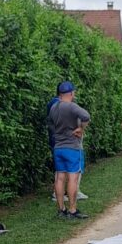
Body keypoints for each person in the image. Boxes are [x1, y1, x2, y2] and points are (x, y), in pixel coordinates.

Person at [47, 81, 90, 219]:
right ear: (71, 93)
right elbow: (86, 116)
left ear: (59, 94)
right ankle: (72, 210)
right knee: (72, 178)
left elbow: (50, 124)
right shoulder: (71, 106)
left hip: (58, 147)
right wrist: (81, 129)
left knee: (60, 178)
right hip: (72, 148)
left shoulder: (54, 107)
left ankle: (61, 210)